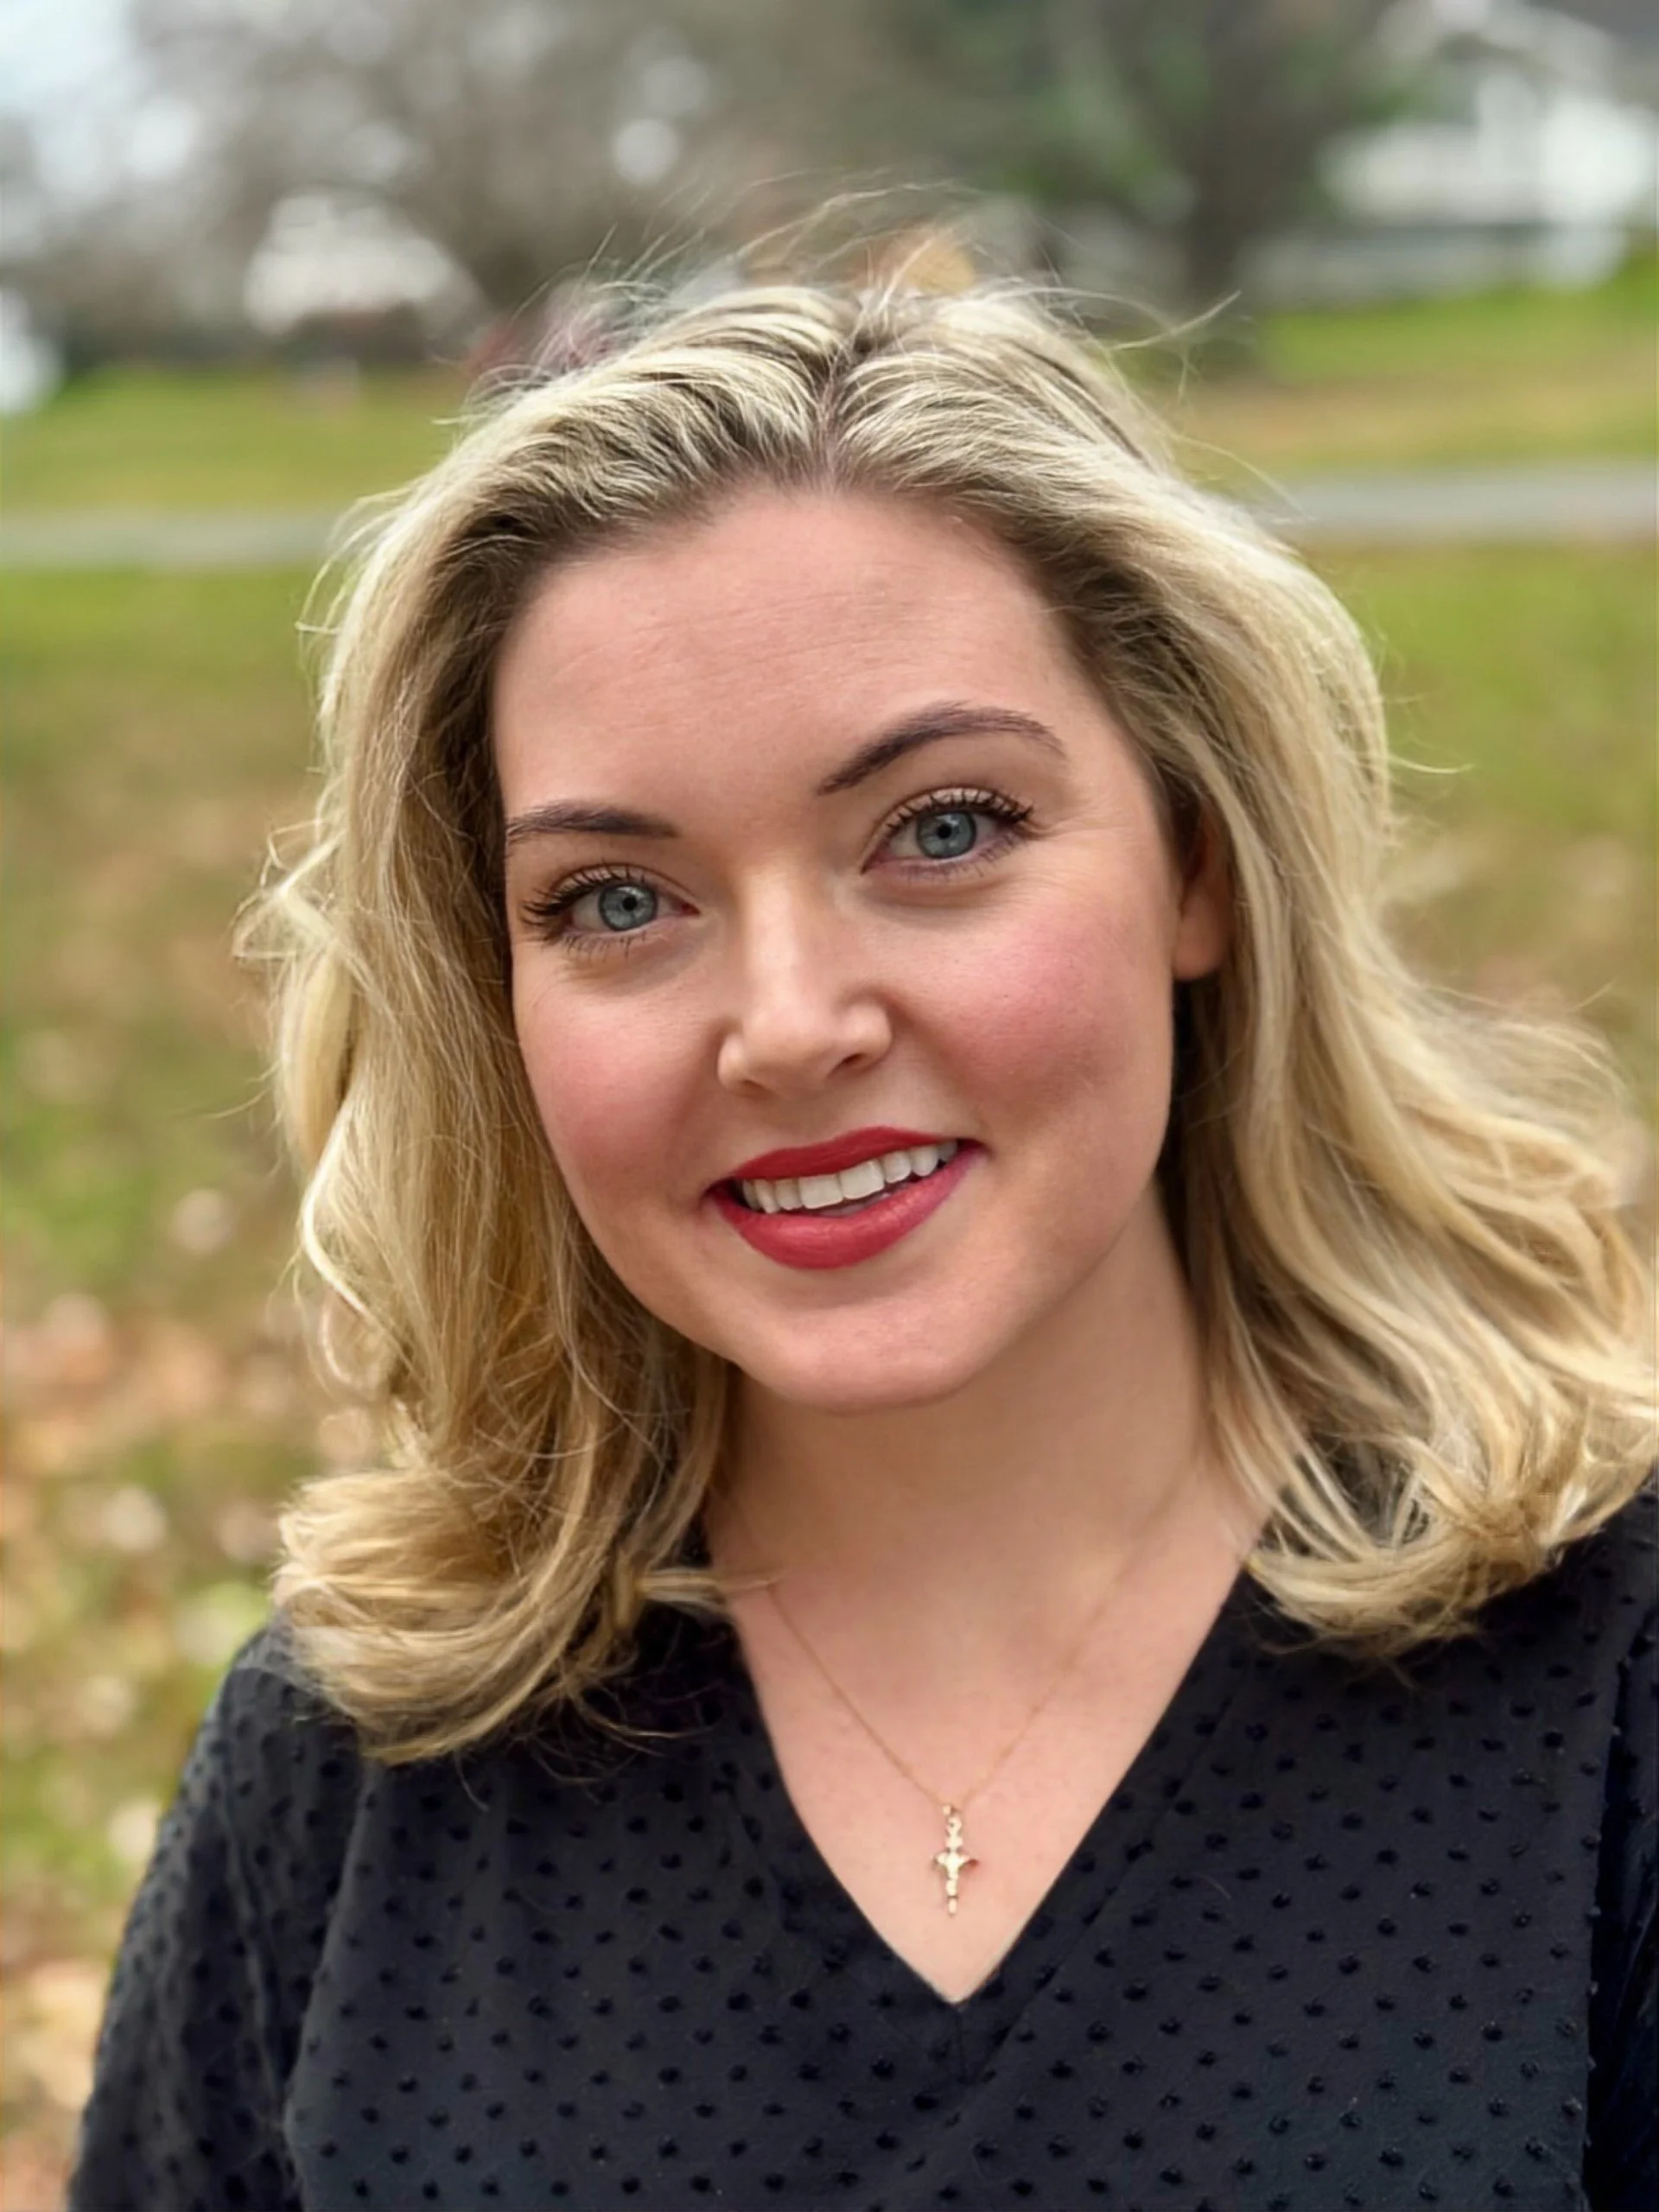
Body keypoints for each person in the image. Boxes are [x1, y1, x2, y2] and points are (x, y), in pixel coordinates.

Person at [70, 276, 1654, 2212]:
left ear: (1198, 859)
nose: (791, 1023)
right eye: (619, 898)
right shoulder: (341, 1775)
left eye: (944, 828)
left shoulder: (1611, 1683)